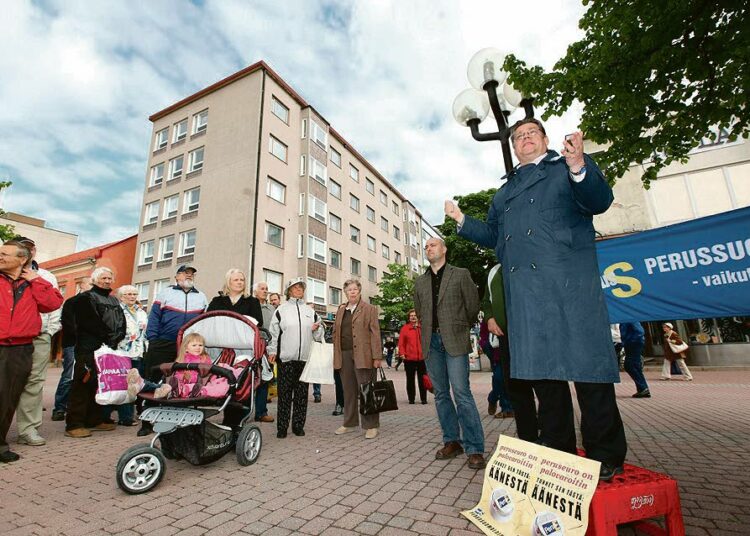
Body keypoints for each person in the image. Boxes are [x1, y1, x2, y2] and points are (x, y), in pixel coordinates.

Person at [448, 118, 627, 480]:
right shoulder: (505, 192)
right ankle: (559, 453)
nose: (524, 139)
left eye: (531, 133)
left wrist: (579, 165)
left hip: (570, 289)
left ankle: (605, 455)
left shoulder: (567, 168)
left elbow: (600, 200)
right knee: (547, 382)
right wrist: (463, 220)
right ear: (514, 147)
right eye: (518, 136)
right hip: (528, 298)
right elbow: (495, 237)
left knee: (590, 374)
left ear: (545, 140)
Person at [414, 237, 485, 470]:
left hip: (454, 339)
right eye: (426, 246)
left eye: (433, 245)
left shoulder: (460, 274)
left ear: (444, 250)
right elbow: (419, 310)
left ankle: (474, 447)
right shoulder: (420, 282)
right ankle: (452, 441)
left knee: (462, 393)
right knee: (442, 394)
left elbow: (472, 305)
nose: (428, 248)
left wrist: (458, 326)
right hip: (431, 342)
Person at [0, 240, 63, 462]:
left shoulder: (38, 281)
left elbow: (52, 303)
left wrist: (36, 281)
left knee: (8, 396)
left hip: (21, 347)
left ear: (23, 258)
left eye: (5, 254)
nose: (0, 256)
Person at [138, 264, 207, 436]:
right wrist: (153, 339)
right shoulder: (165, 293)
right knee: (152, 377)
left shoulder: (202, 297)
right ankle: (146, 422)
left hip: (187, 346)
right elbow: (154, 317)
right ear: (176, 277)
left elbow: (204, 321)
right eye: (185, 273)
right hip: (163, 343)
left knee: (183, 380)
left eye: (191, 274)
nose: (189, 276)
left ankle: (179, 418)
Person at [65, 267, 126, 438]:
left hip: (108, 348)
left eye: (109, 278)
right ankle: (74, 424)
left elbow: (121, 321)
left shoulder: (114, 300)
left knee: (99, 384)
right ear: (95, 280)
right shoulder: (85, 298)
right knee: (82, 383)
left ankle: (94, 420)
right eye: (103, 278)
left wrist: (117, 337)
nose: (107, 281)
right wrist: (106, 337)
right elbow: (88, 323)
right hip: (88, 348)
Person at [482, 263, 540, 441]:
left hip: (534, 335)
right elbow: (486, 301)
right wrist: (490, 317)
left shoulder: (531, 260)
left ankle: (553, 439)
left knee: (545, 386)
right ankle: (527, 437)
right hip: (505, 339)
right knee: (514, 386)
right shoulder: (494, 271)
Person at [207, 269, 272, 423]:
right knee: (224, 382)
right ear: (228, 281)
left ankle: (238, 423)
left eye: (242, 280)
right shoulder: (217, 301)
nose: (240, 282)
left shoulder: (252, 301)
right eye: (236, 280)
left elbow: (257, 323)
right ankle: (227, 420)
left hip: (244, 350)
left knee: (242, 383)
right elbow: (209, 320)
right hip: (221, 350)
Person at [267, 278, 324, 438]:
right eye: (296, 287)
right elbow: (273, 333)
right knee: (284, 395)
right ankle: (282, 428)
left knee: (301, 395)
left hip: (304, 360)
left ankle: (298, 426)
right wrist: (272, 350)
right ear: (289, 291)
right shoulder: (281, 310)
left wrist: (316, 329)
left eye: (301, 287)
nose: (299, 289)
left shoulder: (310, 311)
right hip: (286, 359)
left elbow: (319, 335)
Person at [332, 279, 383, 439]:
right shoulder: (341, 310)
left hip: (364, 355)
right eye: (349, 289)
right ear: (345, 292)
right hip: (344, 355)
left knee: (367, 390)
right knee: (348, 391)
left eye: (355, 289)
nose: (352, 292)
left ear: (359, 291)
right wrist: (336, 356)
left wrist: (377, 357)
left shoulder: (369, 309)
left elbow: (375, 334)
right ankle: (349, 423)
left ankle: (371, 425)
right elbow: (335, 334)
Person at [103, 285, 148, 425]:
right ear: (121, 296)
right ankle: (109, 415)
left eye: (134, 294)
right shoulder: (116, 310)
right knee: (118, 383)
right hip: (121, 353)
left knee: (132, 384)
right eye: (128, 294)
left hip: (137, 353)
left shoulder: (141, 312)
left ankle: (127, 416)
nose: (132, 296)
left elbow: (144, 333)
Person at [51, 277, 92, 421]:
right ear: (82, 286)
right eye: (91, 284)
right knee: (69, 375)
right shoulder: (72, 302)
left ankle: (77, 407)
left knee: (86, 376)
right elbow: (69, 324)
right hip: (74, 344)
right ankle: (60, 408)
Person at [397, 309, 427, 405]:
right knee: (410, 380)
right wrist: (402, 354)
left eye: (415, 315)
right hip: (409, 359)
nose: (413, 317)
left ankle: (423, 399)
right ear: (409, 318)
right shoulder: (405, 329)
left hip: (422, 359)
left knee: (422, 380)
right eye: (411, 316)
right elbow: (401, 343)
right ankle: (411, 399)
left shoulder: (423, 328)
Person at [620, 322, 650, 398]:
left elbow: (640, 331)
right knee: (635, 366)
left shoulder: (629, 318)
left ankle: (643, 388)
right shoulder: (625, 319)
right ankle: (643, 389)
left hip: (633, 344)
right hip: (632, 343)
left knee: (629, 365)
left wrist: (629, 341)